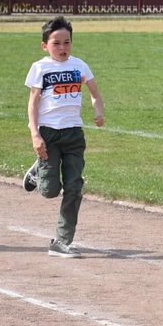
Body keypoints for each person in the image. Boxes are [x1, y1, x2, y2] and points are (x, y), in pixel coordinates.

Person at [21, 16, 104, 258]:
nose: (62, 48)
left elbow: (96, 95)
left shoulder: (80, 66)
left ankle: (62, 241)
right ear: (45, 45)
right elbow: (33, 105)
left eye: (67, 42)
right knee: (49, 191)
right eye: (56, 43)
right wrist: (35, 135)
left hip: (74, 134)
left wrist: (98, 112)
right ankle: (38, 172)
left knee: (74, 186)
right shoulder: (40, 68)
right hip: (48, 133)